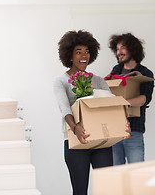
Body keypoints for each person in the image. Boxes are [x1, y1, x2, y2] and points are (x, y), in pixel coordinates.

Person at [53, 30, 130, 195]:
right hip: (76, 143)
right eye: (78, 52)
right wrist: (75, 127)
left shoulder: (99, 81)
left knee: (106, 190)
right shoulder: (60, 81)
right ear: (70, 56)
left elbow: (111, 107)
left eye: (87, 51)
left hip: (101, 142)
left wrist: (124, 125)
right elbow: (64, 108)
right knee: (80, 191)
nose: (84, 56)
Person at [108, 33, 154, 165]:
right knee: (117, 174)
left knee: (136, 172)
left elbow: (145, 98)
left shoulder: (145, 73)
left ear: (133, 49)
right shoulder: (115, 71)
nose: (119, 52)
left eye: (123, 48)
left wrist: (124, 103)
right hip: (115, 130)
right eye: (117, 49)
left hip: (134, 130)